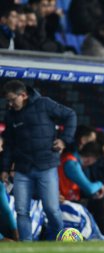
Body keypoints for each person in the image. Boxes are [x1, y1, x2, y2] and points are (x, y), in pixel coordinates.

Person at [0, 80, 77, 241]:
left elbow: (70, 115)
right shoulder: (10, 115)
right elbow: (9, 146)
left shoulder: (44, 104)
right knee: (22, 210)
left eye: (13, 100)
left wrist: (64, 140)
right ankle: (26, 245)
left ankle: (58, 240)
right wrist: (5, 169)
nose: (11, 104)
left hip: (46, 166)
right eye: (8, 101)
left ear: (24, 95)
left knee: (51, 208)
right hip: (22, 169)